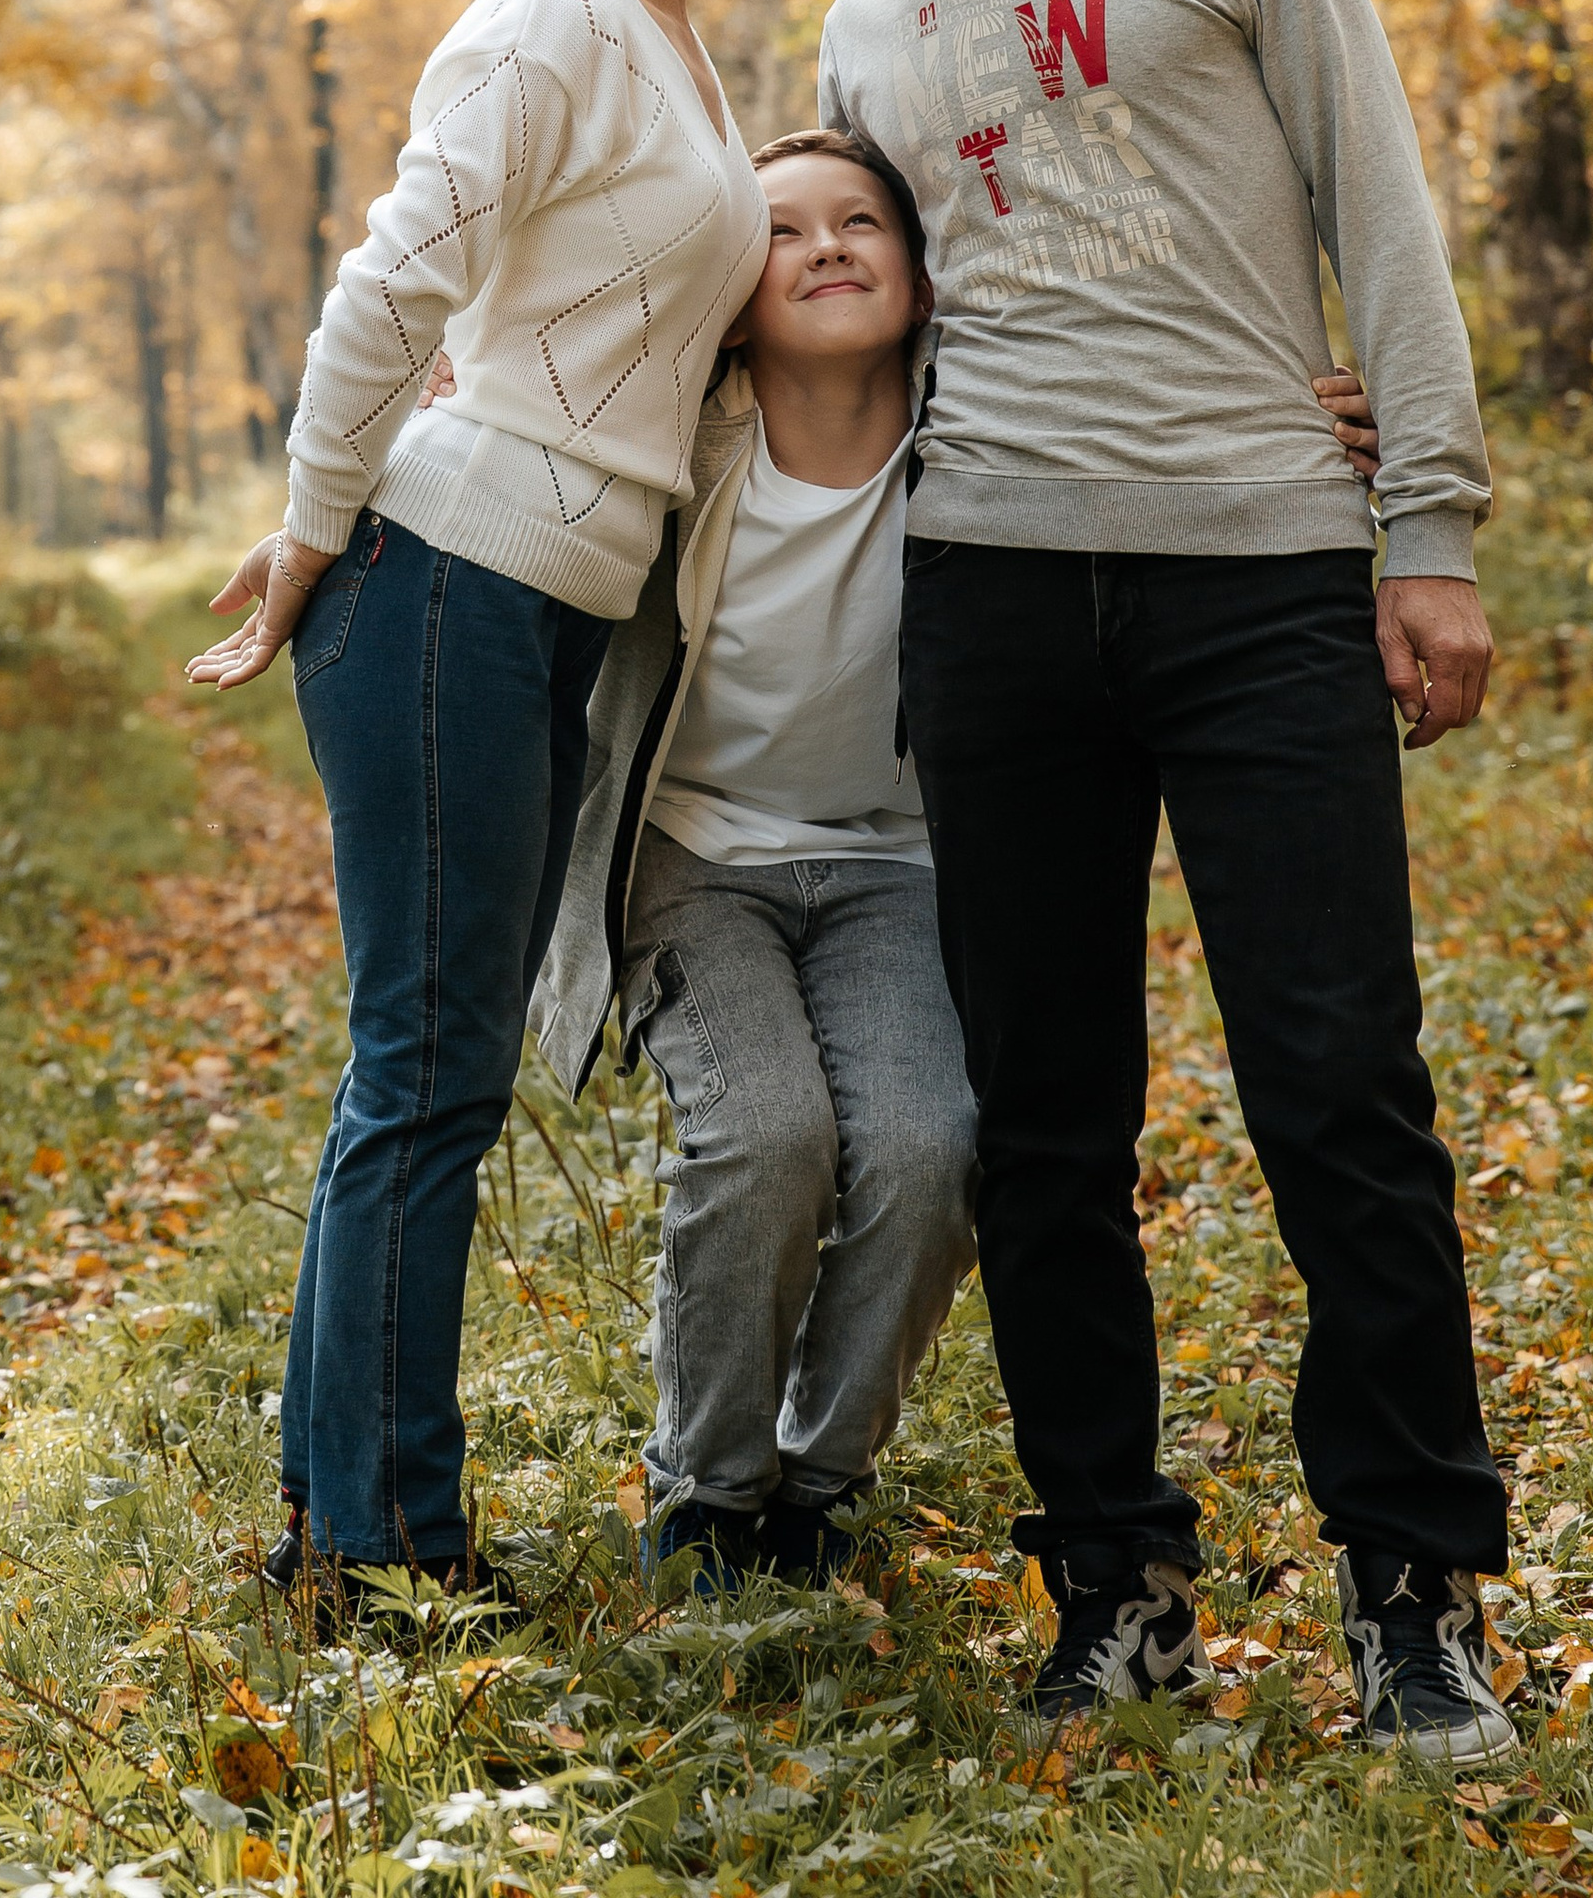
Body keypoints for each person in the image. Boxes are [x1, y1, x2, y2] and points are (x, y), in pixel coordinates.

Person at [744, 0, 1516, 1770]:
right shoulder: (861, 17)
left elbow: (1371, 194)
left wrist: (1423, 518)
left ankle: (1409, 1595)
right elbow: (857, 315)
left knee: (1337, 1088)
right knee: (1043, 1128)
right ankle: (1114, 1585)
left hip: (1254, 571)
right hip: (984, 593)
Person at [530, 129, 1380, 1600]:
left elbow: (1149, 409)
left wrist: (1298, 415)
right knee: (768, 1136)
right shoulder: (676, 434)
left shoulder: (981, 431)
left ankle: (820, 1479)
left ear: (926, 278)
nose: (830, 245)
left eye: (865, 219)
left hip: (897, 863)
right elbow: (529, 436)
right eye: (783, 231)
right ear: (730, 293)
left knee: (932, 1150)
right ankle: (709, 1490)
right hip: (694, 856)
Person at [187, 0, 775, 1603]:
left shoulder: (663, 40)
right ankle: (372, 1545)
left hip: (535, 602)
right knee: (424, 1070)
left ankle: (347, 1522)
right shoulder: (547, 14)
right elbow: (386, 289)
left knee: (426, 1072)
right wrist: (304, 531)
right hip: (437, 582)